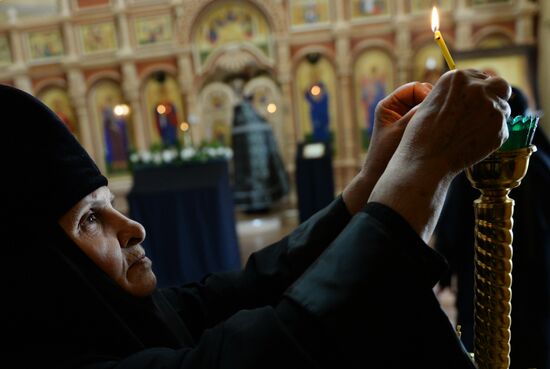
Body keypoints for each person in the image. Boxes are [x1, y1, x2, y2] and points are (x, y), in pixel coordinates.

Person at [1, 68, 510, 368]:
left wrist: (369, 184)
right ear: (31, 271)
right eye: (91, 219)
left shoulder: (131, 317)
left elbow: (258, 284)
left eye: (112, 203)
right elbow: (285, 347)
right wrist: (423, 168)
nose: (133, 228)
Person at [434, 86, 550, 369]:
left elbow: (452, 224)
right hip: (532, 278)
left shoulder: (474, 163)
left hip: (484, 275)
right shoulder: (543, 165)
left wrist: (446, 265)